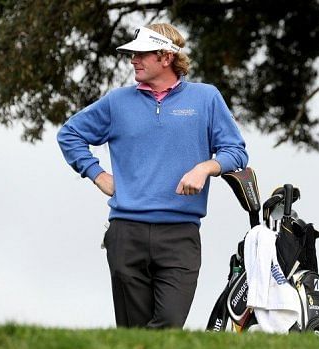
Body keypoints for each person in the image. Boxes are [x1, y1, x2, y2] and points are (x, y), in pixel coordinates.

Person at [57, 23, 248, 329]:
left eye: (141, 54)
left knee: (169, 324)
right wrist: (97, 174)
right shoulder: (117, 102)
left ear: (165, 57)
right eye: (133, 55)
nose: (133, 60)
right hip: (126, 233)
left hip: (180, 235)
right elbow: (70, 134)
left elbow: (236, 152)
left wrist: (204, 167)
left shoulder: (206, 98)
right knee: (134, 333)